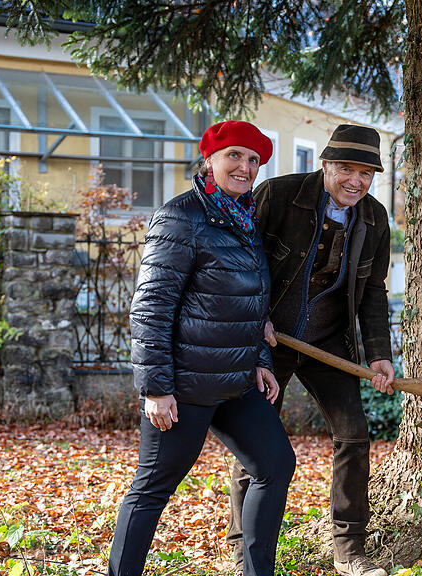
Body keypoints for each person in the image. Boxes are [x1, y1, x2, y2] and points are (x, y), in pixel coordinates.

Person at [109, 120, 296, 576]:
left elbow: (251, 304)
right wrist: (156, 388)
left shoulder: (245, 220)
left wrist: (259, 359)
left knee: (275, 464)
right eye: (234, 155)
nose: (245, 167)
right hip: (185, 387)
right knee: (152, 489)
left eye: (253, 160)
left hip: (235, 382)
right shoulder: (181, 217)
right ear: (209, 160)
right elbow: (151, 308)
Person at [226, 124, 396, 576]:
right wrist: (253, 317)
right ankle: (243, 548)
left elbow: (373, 290)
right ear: (325, 165)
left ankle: (349, 548)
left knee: (354, 436)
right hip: (268, 340)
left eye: (365, 173)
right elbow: (241, 258)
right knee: (256, 442)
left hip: (328, 342)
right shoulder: (278, 196)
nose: (355, 181)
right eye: (345, 169)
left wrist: (378, 352)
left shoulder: (375, 219)